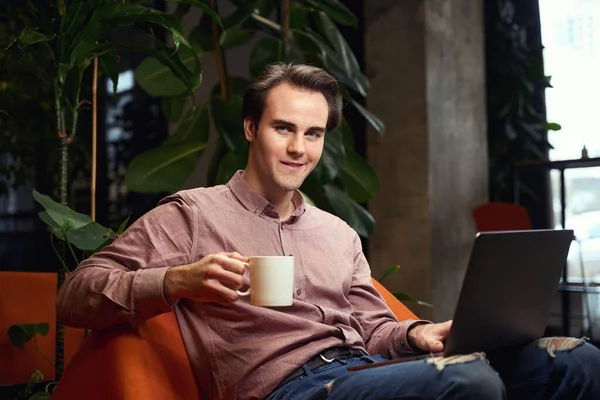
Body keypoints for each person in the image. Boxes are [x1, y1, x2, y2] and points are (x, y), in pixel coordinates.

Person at [56, 63, 600, 400]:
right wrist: (174, 280)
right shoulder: (194, 214)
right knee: (468, 383)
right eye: (283, 128)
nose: (299, 149)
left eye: (313, 134)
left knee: (578, 360)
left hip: (364, 372)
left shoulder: (338, 232)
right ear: (251, 128)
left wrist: (417, 334)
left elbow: (373, 330)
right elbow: (76, 295)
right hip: (288, 388)